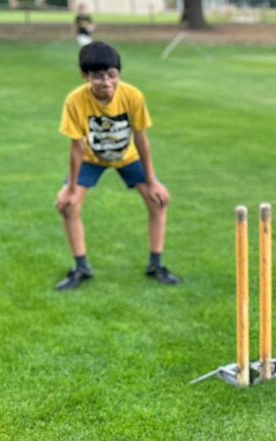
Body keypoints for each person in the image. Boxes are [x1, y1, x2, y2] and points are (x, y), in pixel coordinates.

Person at [54, 41, 180, 292]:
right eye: (98, 76)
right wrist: (69, 188)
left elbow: (142, 140)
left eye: (112, 75)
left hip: (127, 156)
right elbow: (76, 147)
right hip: (91, 158)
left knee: (158, 201)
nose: (107, 82)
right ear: (85, 76)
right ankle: (81, 268)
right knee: (68, 207)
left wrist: (152, 180)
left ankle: (156, 265)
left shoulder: (132, 95)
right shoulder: (75, 101)